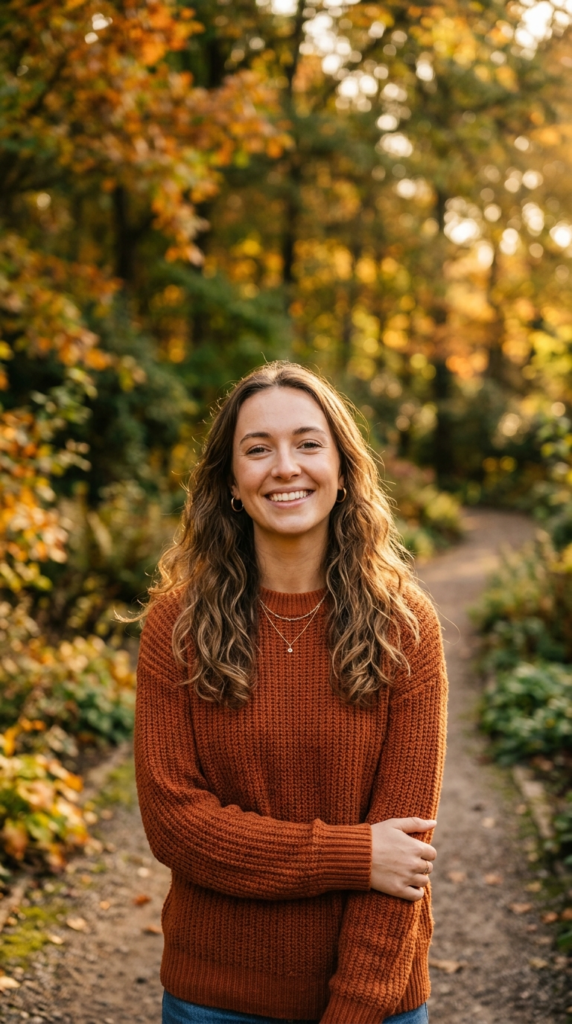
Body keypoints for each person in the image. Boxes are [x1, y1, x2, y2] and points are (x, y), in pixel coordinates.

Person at [134, 361, 448, 1024]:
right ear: (230, 484)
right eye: (258, 449)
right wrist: (355, 854)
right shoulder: (177, 625)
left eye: (308, 443)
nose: (285, 467)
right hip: (213, 1000)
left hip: (375, 1000)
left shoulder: (405, 626)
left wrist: (354, 1011)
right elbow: (177, 827)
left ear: (343, 471)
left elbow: (406, 863)